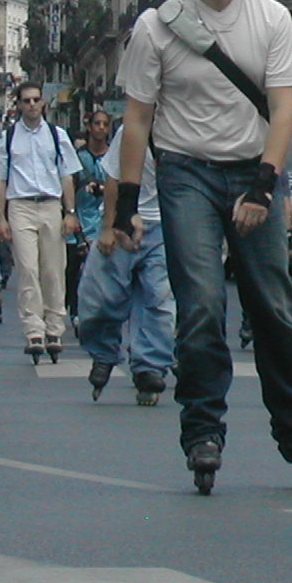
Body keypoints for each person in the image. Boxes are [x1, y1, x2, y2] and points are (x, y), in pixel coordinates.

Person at [114, 0, 292, 494]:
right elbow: (138, 119)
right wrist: (124, 208)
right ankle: (203, 431)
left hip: (253, 168)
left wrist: (265, 186)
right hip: (186, 172)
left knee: (272, 306)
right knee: (201, 303)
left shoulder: (270, 16)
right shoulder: (157, 26)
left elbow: (285, 110)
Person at [80, 121, 174, 405]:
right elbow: (113, 180)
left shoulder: (185, 130)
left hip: (164, 226)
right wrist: (108, 228)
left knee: (159, 300)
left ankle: (149, 367)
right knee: (101, 298)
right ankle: (104, 353)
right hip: (125, 223)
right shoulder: (130, 131)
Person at [0, 81, 79, 364]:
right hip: (21, 206)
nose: (32, 105)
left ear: (43, 103)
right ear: (18, 104)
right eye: (26, 100)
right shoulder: (7, 138)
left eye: (36, 100)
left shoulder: (57, 136)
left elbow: (67, 175)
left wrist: (70, 212)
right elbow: (0, 179)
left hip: (51, 204)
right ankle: (34, 330)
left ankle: (54, 328)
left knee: (53, 270)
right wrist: (0, 217)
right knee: (28, 269)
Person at [70, 110, 112, 337]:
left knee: (103, 273)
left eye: (105, 124)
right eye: (97, 123)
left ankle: (98, 315)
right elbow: (69, 184)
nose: (101, 128)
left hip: (105, 222)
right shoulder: (78, 157)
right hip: (81, 221)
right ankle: (76, 311)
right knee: (76, 271)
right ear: (89, 126)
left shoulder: (114, 156)